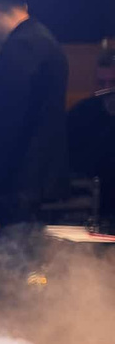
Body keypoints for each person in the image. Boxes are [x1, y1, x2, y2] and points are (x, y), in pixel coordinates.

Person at [0, 0, 70, 244]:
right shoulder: (47, 42)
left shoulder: (18, 51)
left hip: (11, 190)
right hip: (36, 184)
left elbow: (0, 128)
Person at [65, 46, 115, 228]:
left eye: (113, 83)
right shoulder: (83, 112)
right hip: (87, 207)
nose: (107, 90)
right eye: (102, 83)